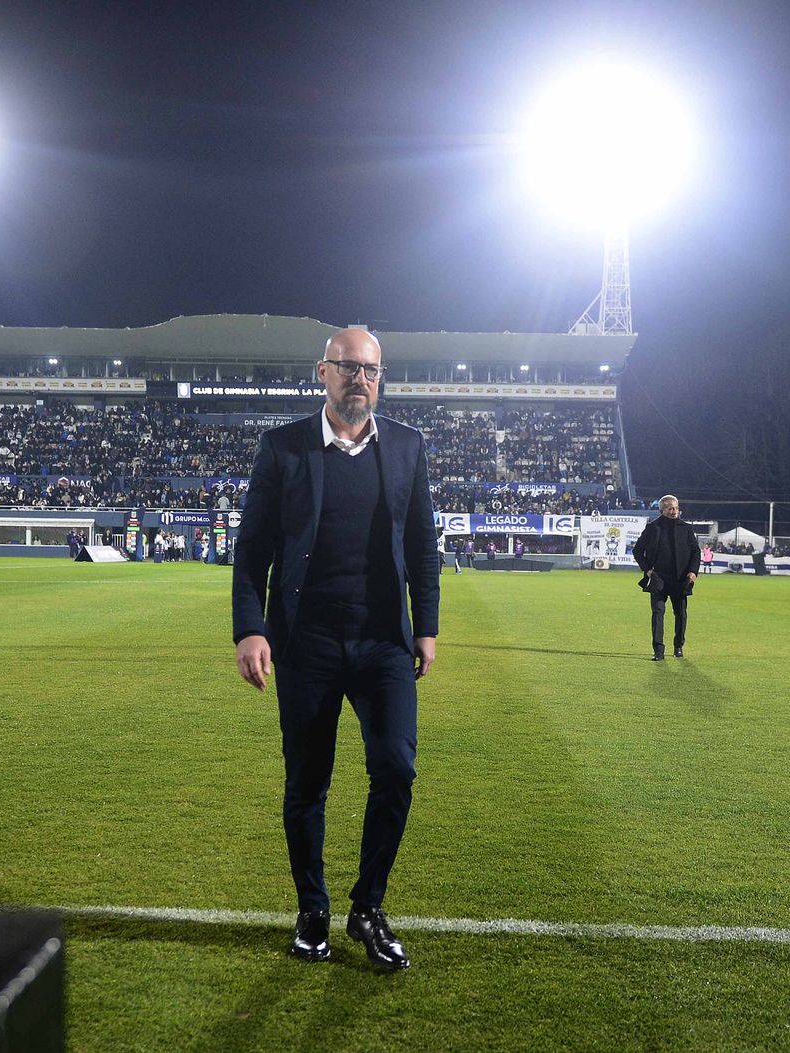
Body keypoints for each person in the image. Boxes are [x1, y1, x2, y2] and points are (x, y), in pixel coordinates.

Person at [232, 327, 440, 972]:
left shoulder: (407, 448)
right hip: (307, 642)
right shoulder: (283, 448)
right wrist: (250, 629)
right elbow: (252, 551)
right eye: (348, 368)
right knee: (307, 784)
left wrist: (425, 626)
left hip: (383, 642)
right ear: (322, 372)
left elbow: (423, 545)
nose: (360, 380)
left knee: (397, 768)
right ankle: (313, 908)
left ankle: (368, 906)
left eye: (371, 371)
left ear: (381, 379)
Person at [632, 494, 701, 660]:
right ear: (662, 509)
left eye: (676, 508)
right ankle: (658, 651)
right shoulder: (652, 528)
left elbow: (695, 551)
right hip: (659, 578)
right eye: (670, 508)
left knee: (681, 614)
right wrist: (648, 570)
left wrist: (693, 572)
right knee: (657, 613)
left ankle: (678, 646)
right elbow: (637, 551)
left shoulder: (686, 528)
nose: (674, 511)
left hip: (680, 579)